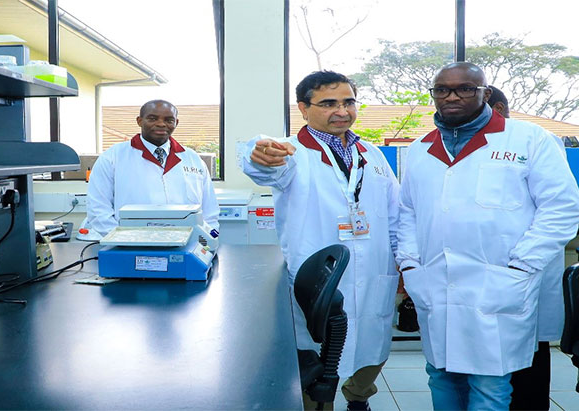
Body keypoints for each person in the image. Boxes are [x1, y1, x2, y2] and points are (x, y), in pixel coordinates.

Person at [395, 62, 579, 410]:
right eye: (442, 89)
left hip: (498, 283)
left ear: (485, 93)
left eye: (465, 88)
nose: (452, 97)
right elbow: (407, 212)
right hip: (436, 282)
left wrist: (522, 265)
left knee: (490, 385)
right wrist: (409, 264)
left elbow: (561, 208)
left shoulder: (528, 139)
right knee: (441, 375)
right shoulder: (420, 148)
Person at [242, 70, 400, 410]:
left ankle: (358, 396)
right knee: (318, 360)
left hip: (374, 270)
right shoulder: (290, 154)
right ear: (303, 108)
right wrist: (260, 157)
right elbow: (264, 168)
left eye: (347, 102)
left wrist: (403, 263)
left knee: (372, 346)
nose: (341, 111)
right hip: (318, 278)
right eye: (328, 103)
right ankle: (317, 404)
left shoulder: (371, 155)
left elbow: (396, 212)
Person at [488, 85, 564, 411]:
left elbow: (555, 209)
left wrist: (523, 261)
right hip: (486, 273)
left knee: (529, 353)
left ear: (501, 109)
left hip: (525, 268)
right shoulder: (464, 146)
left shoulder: (538, 142)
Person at [83, 99, 219, 238]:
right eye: (152, 118)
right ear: (139, 121)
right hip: (131, 246)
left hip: (187, 245)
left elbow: (209, 212)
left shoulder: (193, 159)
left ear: (176, 123)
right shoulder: (112, 157)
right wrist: (123, 240)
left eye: (169, 120)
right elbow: (98, 209)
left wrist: (206, 242)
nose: (161, 124)